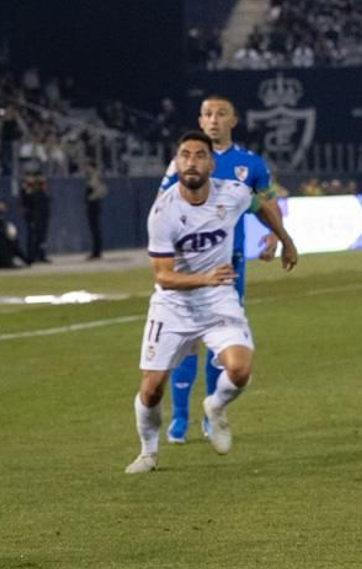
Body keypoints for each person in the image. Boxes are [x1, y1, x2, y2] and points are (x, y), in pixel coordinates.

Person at [126, 131, 298, 474]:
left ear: (211, 163)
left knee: (240, 369)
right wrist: (204, 278)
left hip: (218, 299)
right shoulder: (163, 212)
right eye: (185, 155)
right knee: (151, 389)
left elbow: (262, 205)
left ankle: (216, 407)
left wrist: (285, 239)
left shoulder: (231, 193)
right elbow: (163, 276)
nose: (191, 161)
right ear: (176, 162)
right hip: (173, 306)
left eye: (199, 155)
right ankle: (148, 451)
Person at [162, 95, 276, 444]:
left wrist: (274, 235)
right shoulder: (183, 163)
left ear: (234, 120)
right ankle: (180, 417)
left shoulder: (250, 164)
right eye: (207, 114)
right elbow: (162, 206)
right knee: (186, 340)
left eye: (220, 113)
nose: (213, 119)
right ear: (200, 120)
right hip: (188, 264)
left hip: (229, 267)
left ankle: (213, 411)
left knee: (218, 341)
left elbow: (267, 203)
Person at [18, 172, 51, 263]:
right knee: (32, 236)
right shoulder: (26, 187)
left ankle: (41, 254)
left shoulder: (40, 187)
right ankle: (31, 255)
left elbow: (45, 198)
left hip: (41, 213)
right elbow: (25, 201)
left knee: (41, 236)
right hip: (32, 214)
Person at [84, 164, 108, 260]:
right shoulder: (91, 178)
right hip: (92, 206)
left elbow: (103, 190)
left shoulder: (94, 178)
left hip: (93, 206)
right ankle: (96, 251)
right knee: (94, 229)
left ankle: (96, 251)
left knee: (95, 229)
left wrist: (92, 197)